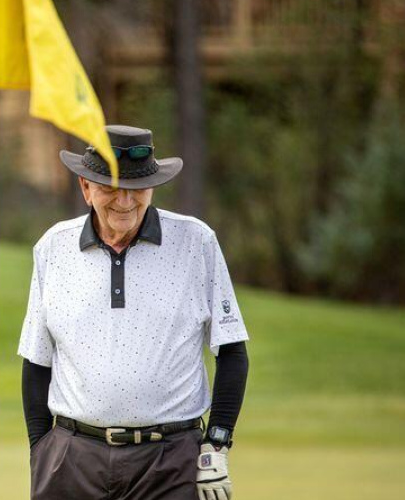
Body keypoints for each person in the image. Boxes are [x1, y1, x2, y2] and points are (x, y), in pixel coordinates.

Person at [19, 125, 249, 500]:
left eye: (136, 188)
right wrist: (41, 452)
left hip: (172, 461)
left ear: (152, 187)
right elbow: (36, 362)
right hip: (73, 460)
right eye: (110, 187)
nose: (124, 202)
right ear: (86, 188)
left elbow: (233, 352)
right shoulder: (52, 248)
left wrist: (217, 444)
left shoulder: (196, 242)